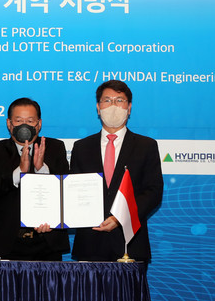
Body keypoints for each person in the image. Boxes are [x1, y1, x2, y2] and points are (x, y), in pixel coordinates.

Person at [70, 80, 163, 262]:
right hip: (90, 243)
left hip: (130, 244)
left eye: (119, 100)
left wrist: (119, 218)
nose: (113, 105)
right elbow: (73, 191)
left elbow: (153, 192)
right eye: (107, 100)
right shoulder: (81, 147)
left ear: (129, 108)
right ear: (98, 108)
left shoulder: (146, 146)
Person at [0, 97, 70, 260]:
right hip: (8, 241)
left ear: (39, 124)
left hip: (48, 241)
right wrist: (19, 172)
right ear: (9, 124)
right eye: (19, 120)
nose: (25, 126)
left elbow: (66, 191)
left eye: (30, 121)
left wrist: (41, 169)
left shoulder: (55, 148)